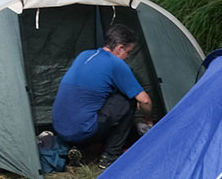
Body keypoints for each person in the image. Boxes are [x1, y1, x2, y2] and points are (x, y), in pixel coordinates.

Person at [50, 23, 151, 168]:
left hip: (60, 128)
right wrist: (147, 120)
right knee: (128, 100)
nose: (128, 57)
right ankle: (110, 156)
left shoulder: (84, 55)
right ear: (119, 47)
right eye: (128, 52)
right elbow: (145, 100)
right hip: (82, 131)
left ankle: (79, 148)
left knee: (98, 101)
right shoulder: (116, 63)